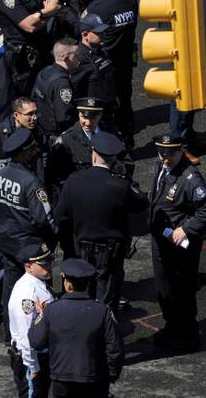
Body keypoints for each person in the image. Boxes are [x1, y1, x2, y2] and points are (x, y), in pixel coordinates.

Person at [55, 132, 147, 310]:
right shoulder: (119, 186)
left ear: (93, 154)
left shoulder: (74, 181)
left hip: (81, 248)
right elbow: (142, 201)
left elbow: (60, 216)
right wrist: (125, 177)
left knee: (82, 293)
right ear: (114, 159)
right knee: (106, 297)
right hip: (109, 252)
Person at [0, 97, 48, 332]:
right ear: (16, 115)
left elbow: (42, 170)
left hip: (26, 214)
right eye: (29, 114)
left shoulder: (38, 134)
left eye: (36, 113)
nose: (34, 118)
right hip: (1, 214)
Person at [148, 134, 206, 351]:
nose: (165, 158)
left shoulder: (190, 178)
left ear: (181, 151)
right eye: (162, 153)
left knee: (182, 289)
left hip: (180, 245)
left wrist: (187, 229)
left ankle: (187, 334)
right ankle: (172, 327)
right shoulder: (161, 165)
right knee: (164, 287)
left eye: (170, 154)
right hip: (162, 239)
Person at [28, 259, 124, 397]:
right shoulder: (102, 310)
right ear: (88, 283)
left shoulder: (51, 311)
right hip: (94, 378)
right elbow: (114, 348)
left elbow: (36, 342)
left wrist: (40, 315)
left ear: (67, 284)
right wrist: (112, 374)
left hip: (61, 379)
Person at [0, 128, 56, 334]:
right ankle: (42, 335)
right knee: (41, 290)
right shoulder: (31, 183)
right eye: (32, 147)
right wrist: (55, 235)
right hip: (31, 247)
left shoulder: (0, 175)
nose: (37, 150)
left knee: (11, 290)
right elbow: (44, 218)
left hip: (8, 243)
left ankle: (11, 335)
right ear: (23, 152)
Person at [162, 0, 206, 164]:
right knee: (180, 102)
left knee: (192, 99)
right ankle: (178, 146)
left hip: (194, 47)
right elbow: (167, 21)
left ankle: (189, 138)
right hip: (181, 51)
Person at [0, 0, 62, 97]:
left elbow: (55, 3)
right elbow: (29, 26)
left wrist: (40, 16)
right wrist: (45, 12)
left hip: (42, 47)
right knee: (28, 96)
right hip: (24, 58)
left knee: (48, 89)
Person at [86, 0, 139, 147]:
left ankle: (109, 143)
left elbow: (85, 29)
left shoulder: (98, 8)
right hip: (126, 59)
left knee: (106, 103)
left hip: (106, 62)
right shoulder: (131, 0)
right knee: (125, 99)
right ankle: (128, 138)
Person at [8, 243, 54, 398]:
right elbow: (26, 336)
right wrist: (33, 368)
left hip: (42, 354)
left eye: (50, 262)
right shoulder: (27, 294)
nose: (49, 267)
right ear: (28, 266)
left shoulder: (37, 282)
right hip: (32, 359)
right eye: (44, 264)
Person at [48, 97, 106, 193]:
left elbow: (125, 160)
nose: (88, 123)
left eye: (92, 118)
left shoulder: (110, 133)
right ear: (79, 114)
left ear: (100, 115)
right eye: (84, 117)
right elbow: (58, 178)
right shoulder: (66, 140)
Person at [32, 38, 80, 138]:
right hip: (58, 133)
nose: (79, 58)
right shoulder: (62, 84)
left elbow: (34, 97)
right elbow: (64, 117)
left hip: (43, 126)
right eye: (76, 55)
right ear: (66, 58)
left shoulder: (45, 71)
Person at [70, 14, 116, 109]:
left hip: (108, 106)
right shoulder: (78, 59)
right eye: (98, 33)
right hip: (93, 111)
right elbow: (73, 89)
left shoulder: (102, 50)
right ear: (85, 35)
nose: (103, 35)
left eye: (103, 31)